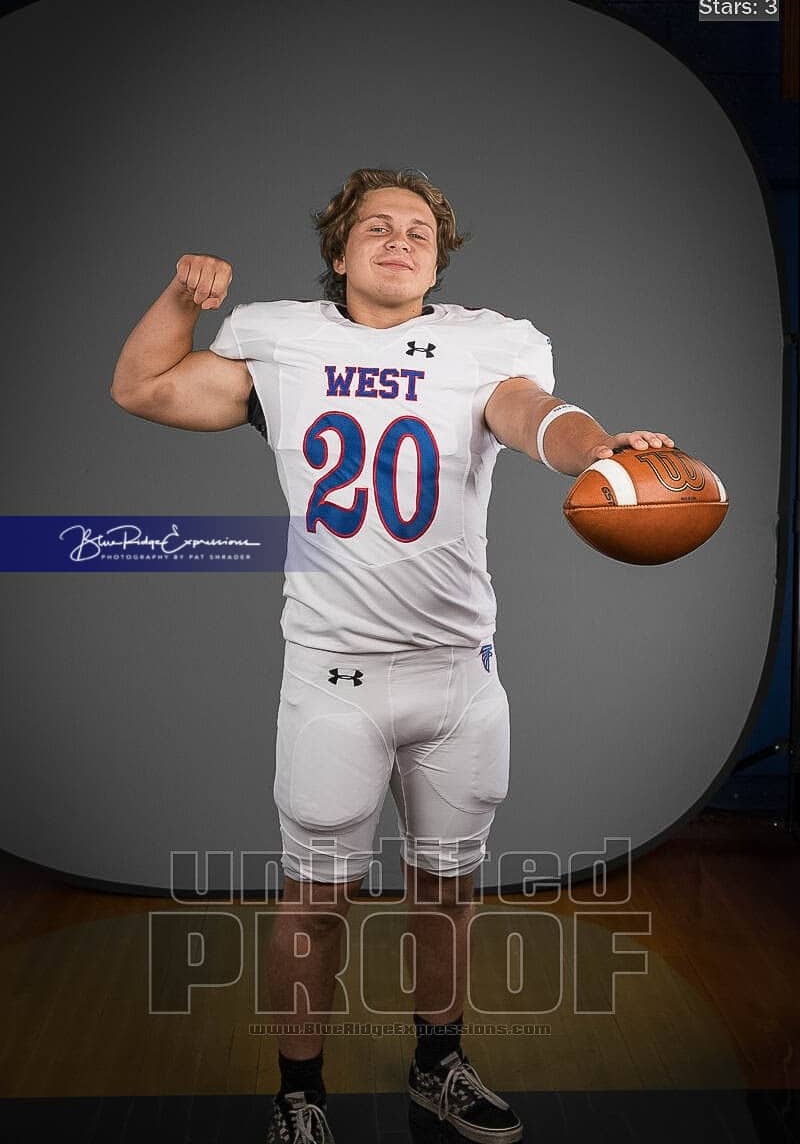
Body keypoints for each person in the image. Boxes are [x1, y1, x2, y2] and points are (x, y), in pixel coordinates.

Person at [111, 168, 674, 1144]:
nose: (400, 239)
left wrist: (596, 452)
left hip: (457, 676)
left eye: (419, 230)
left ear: (437, 262)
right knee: (314, 902)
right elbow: (143, 386)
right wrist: (180, 299)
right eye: (376, 226)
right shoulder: (284, 342)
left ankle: (436, 1066)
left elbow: (534, 416)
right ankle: (300, 1094)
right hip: (334, 677)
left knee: (446, 893)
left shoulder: (483, 345)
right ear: (339, 253)